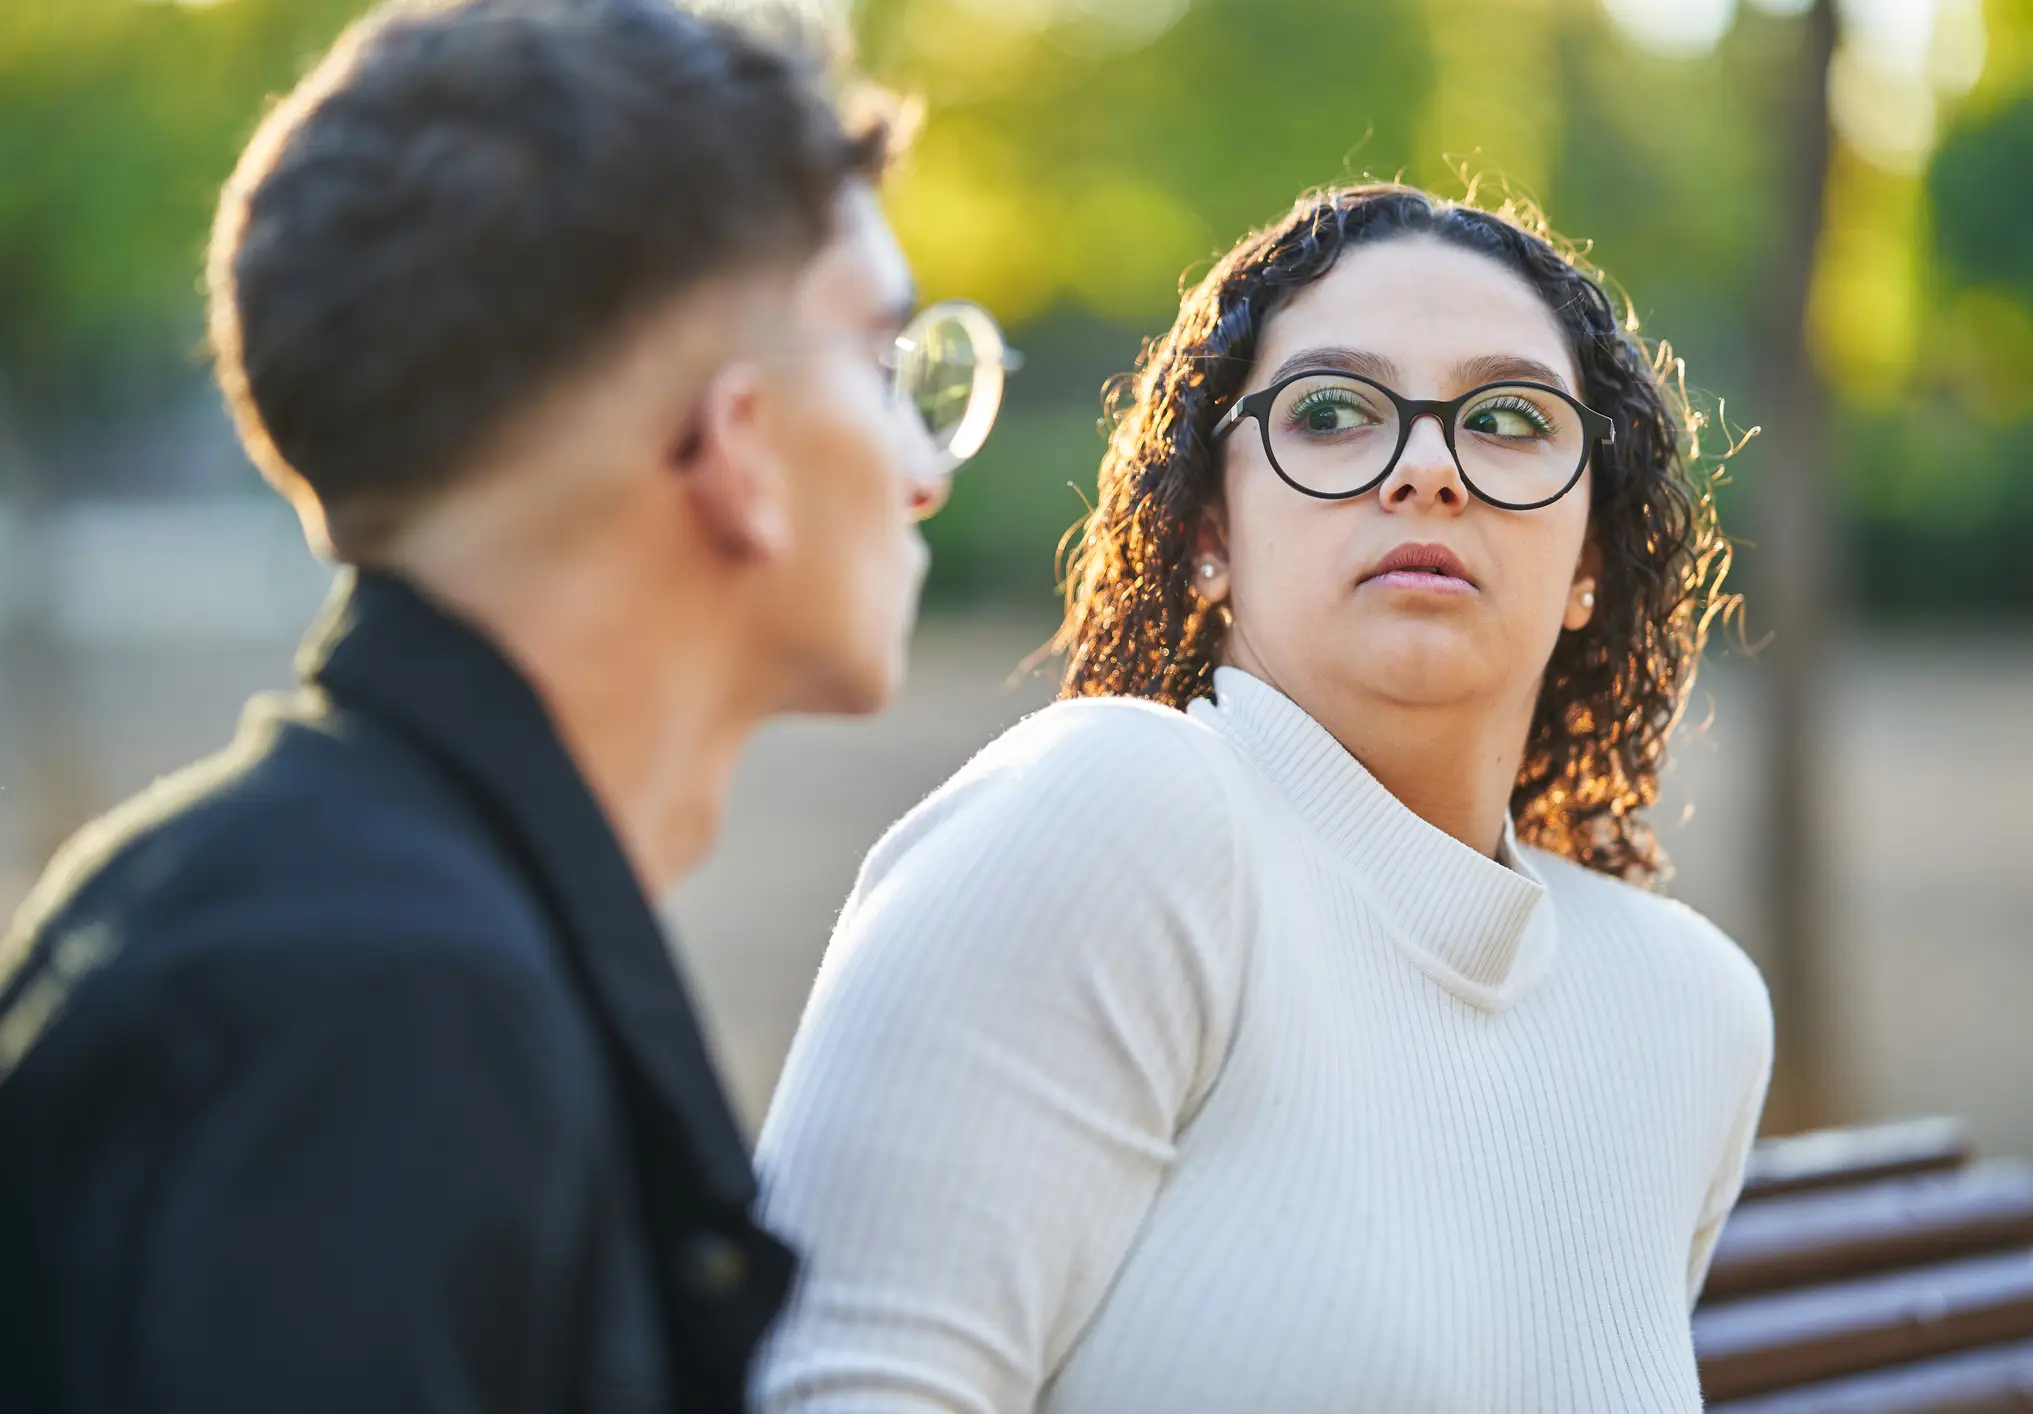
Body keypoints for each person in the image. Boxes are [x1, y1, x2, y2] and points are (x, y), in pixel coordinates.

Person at [0, 1, 1012, 1409]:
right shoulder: (380, 1009)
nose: (925, 462)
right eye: (888, 363)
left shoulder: (307, 923)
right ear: (738, 451)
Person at [751, 183, 1774, 1412]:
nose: (1430, 467)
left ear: (1590, 561)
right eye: (1333, 411)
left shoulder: (1688, 1006)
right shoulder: (1118, 812)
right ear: (1207, 536)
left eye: (1508, 418)